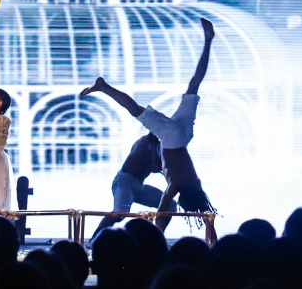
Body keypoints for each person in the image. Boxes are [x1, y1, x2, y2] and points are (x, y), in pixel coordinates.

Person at [81, 18, 216, 241]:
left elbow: (177, 203)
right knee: (120, 212)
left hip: (180, 140)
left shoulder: (186, 178)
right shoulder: (157, 153)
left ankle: (208, 40)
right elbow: (164, 213)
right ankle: (103, 86)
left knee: (193, 86)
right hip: (132, 176)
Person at [90, 132, 175, 238]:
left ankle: (158, 238)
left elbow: (161, 166)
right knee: (120, 212)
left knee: (170, 205)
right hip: (124, 182)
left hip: (139, 185)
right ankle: (95, 239)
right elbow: (151, 166)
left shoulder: (158, 145)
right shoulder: (144, 144)